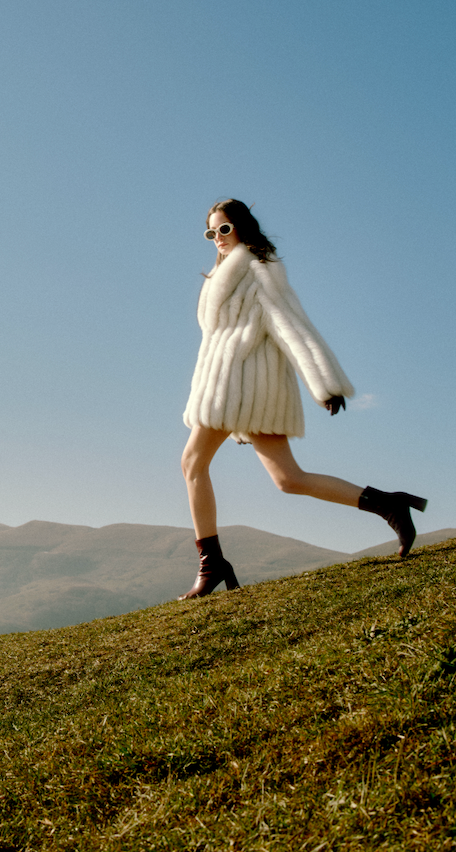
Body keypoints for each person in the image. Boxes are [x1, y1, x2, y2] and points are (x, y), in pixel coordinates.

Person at [177, 199, 428, 599]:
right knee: (289, 479)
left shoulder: (258, 269)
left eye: (224, 229)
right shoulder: (223, 275)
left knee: (192, 462)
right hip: (233, 385)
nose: (218, 238)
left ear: (242, 226)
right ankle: (388, 505)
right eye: (211, 232)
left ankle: (212, 564)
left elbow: (289, 322)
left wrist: (325, 382)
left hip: (239, 386)